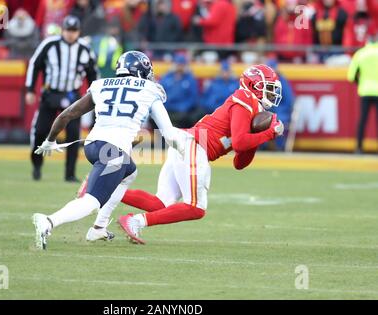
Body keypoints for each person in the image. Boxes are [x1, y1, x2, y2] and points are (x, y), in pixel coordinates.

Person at [79, 64, 285, 244]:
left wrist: (259, 135)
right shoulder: (245, 98)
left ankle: (97, 186)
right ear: (253, 86)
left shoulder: (252, 109)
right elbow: (239, 143)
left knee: (160, 204)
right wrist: (268, 133)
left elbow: (240, 162)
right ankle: (136, 221)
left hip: (189, 144)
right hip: (195, 145)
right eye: (268, 88)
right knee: (196, 207)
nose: (273, 94)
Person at [31, 50, 189, 249]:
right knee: (91, 202)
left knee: (129, 173)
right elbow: (169, 133)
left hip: (93, 145)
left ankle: (99, 228)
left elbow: (68, 114)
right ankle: (49, 221)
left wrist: (50, 141)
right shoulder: (150, 90)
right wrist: (185, 152)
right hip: (113, 151)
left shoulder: (102, 85)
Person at [25, 15, 99, 182]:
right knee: (41, 131)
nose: (71, 34)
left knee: (73, 135)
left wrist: (96, 96)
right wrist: (30, 89)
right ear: (62, 30)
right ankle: (37, 165)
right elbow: (35, 64)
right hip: (51, 93)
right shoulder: (50, 44)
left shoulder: (85, 49)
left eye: (74, 31)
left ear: (78, 32)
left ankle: (70, 174)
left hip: (73, 95)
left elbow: (93, 73)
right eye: (68, 30)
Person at [347, 33, 378, 154]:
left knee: (363, 120)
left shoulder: (360, 54)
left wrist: (360, 83)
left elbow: (351, 76)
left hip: (365, 90)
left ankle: (359, 147)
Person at [159, 53, 200, 128]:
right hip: (168, 109)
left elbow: (194, 98)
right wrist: (166, 107)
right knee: (156, 117)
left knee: (193, 116)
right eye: (178, 64)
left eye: (182, 65)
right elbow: (160, 94)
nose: (180, 67)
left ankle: (188, 137)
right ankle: (160, 139)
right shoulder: (166, 77)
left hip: (183, 111)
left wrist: (183, 107)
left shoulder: (190, 79)